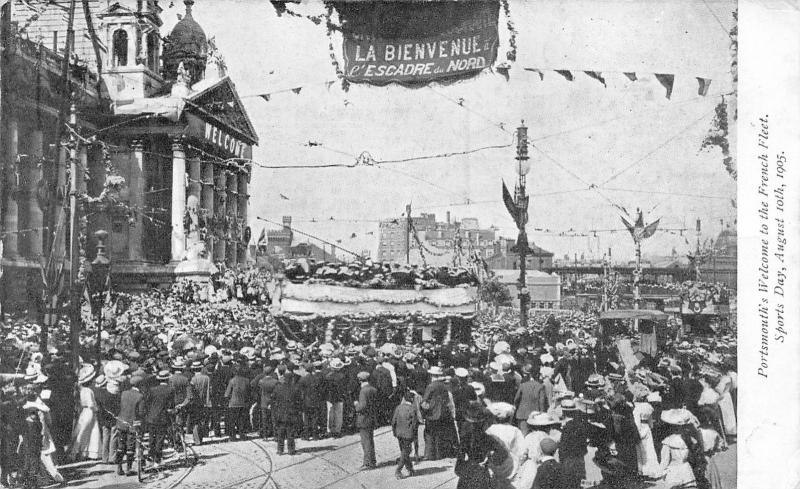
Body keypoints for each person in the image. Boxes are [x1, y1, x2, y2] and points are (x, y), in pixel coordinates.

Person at [69, 365, 102, 461]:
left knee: (83, 430)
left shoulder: (81, 390)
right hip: (90, 411)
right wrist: (97, 409)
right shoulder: (88, 391)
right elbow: (91, 403)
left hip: (84, 411)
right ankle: (84, 452)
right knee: (91, 431)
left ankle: (81, 451)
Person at [143, 370, 175, 467]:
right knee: (160, 438)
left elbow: (147, 402)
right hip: (162, 417)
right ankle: (157, 459)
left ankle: (150, 457)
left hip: (151, 417)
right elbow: (171, 405)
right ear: (167, 379)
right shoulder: (170, 390)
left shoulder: (152, 390)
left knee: (152, 438)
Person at [116, 375, 145, 476]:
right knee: (130, 446)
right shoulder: (140, 396)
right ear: (140, 385)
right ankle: (128, 468)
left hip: (121, 422)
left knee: (121, 446)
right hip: (133, 424)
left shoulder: (123, 393)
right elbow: (141, 413)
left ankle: (119, 467)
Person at [270, 371, 302, 455]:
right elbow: (299, 401)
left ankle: (280, 450)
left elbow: (273, 400)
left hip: (280, 413)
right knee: (290, 432)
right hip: (291, 413)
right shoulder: (295, 389)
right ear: (292, 379)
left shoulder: (278, 388)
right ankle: (291, 450)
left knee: (280, 432)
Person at [391, 390, 418, 479]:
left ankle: (410, 469)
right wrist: (414, 436)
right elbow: (414, 425)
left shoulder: (398, 407)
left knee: (404, 451)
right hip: (408, 434)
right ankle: (398, 470)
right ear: (411, 399)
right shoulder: (412, 409)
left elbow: (393, 421)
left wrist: (394, 432)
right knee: (406, 452)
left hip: (399, 434)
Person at [514, 366, 548, 435]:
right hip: (535, 415)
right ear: (537, 375)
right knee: (534, 435)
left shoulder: (523, 385)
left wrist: (517, 408)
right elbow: (542, 402)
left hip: (522, 414)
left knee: (523, 434)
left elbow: (516, 399)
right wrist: (542, 413)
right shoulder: (540, 386)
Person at [355, 371, 378, 470]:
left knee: (366, 441)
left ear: (360, 380)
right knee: (370, 440)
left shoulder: (363, 391)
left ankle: (368, 462)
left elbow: (362, 406)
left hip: (364, 419)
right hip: (372, 417)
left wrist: (356, 405)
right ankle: (371, 460)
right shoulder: (373, 389)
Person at [224, 363, 250, 441]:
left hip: (233, 403)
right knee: (242, 420)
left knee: (232, 421)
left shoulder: (232, 381)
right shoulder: (246, 380)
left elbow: (227, 394)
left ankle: (233, 436)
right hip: (243, 403)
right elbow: (249, 392)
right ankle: (242, 435)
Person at [189, 360, 211, 445]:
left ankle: (197, 440)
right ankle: (201, 437)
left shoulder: (193, 379)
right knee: (203, 420)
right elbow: (210, 390)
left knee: (196, 421)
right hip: (205, 402)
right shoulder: (207, 378)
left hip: (195, 403)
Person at [325, 359, 347, 438]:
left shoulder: (328, 376)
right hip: (340, 397)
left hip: (330, 397)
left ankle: (330, 430)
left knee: (330, 414)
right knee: (339, 414)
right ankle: (337, 430)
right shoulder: (342, 376)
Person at [257, 365, 277, 440]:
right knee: (273, 419)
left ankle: (265, 435)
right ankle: (275, 435)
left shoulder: (261, 381)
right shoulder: (275, 381)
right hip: (273, 401)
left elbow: (259, 391)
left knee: (264, 419)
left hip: (264, 401)